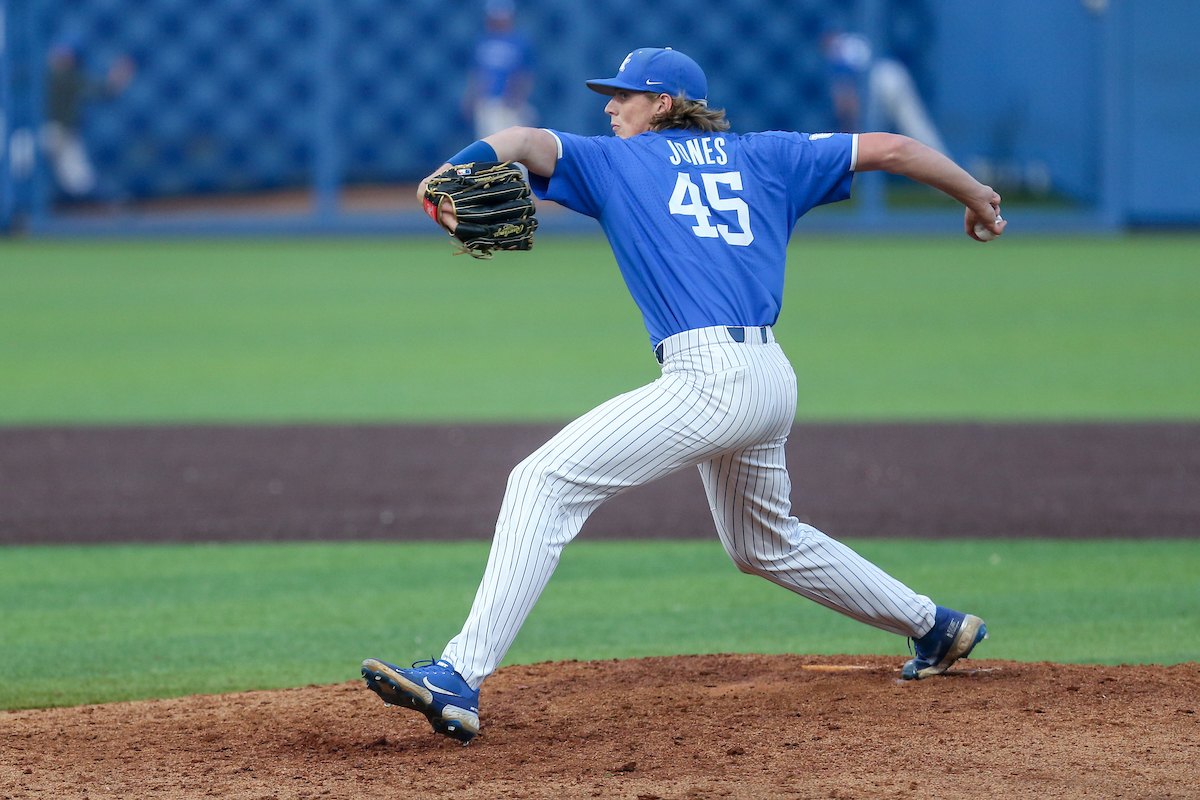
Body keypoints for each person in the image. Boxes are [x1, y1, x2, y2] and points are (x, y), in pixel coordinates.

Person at [363, 46, 1004, 744]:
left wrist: (449, 171)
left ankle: (459, 674)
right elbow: (896, 146)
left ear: (662, 104)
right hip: (769, 376)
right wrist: (977, 196)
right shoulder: (770, 155)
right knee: (763, 542)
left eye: (625, 96)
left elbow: (515, 141)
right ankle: (934, 627)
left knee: (540, 481)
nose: (610, 108)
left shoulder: (616, 161)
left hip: (708, 378)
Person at [823, 30, 950, 157]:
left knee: (868, 136)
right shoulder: (852, 39)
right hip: (891, 73)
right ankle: (945, 164)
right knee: (915, 127)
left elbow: (848, 97)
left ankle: (859, 174)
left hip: (879, 83)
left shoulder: (838, 50)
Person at [42, 34, 134, 202]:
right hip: (43, 133)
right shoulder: (47, 74)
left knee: (80, 181)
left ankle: (115, 204)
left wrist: (118, 77)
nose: (57, 56)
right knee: (22, 168)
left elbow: (107, 90)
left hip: (60, 133)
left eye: (64, 53)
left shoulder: (69, 77)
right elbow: (109, 90)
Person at [463, 0, 536, 141]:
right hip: (488, 102)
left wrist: (519, 97)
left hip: (512, 104)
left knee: (515, 144)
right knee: (489, 142)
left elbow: (526, 74)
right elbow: (477, 74)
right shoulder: (482, 41)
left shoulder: (520, 42)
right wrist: (471, 97)